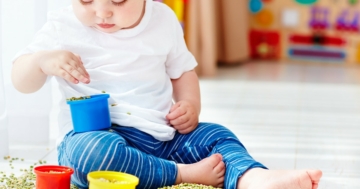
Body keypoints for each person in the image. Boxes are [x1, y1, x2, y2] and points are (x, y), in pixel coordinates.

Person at [11, 0, 322, 188]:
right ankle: (182, 174)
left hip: (163, 137)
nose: (102, 11)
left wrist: (190, 105)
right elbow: (21, 81)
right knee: (90, 157)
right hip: (95, 136)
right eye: (87, 0)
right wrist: (41, 61)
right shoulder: (62, 26)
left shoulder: (162, 20)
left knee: (217, 136)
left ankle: (252, 179)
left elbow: (182, 71)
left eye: (118, 0)